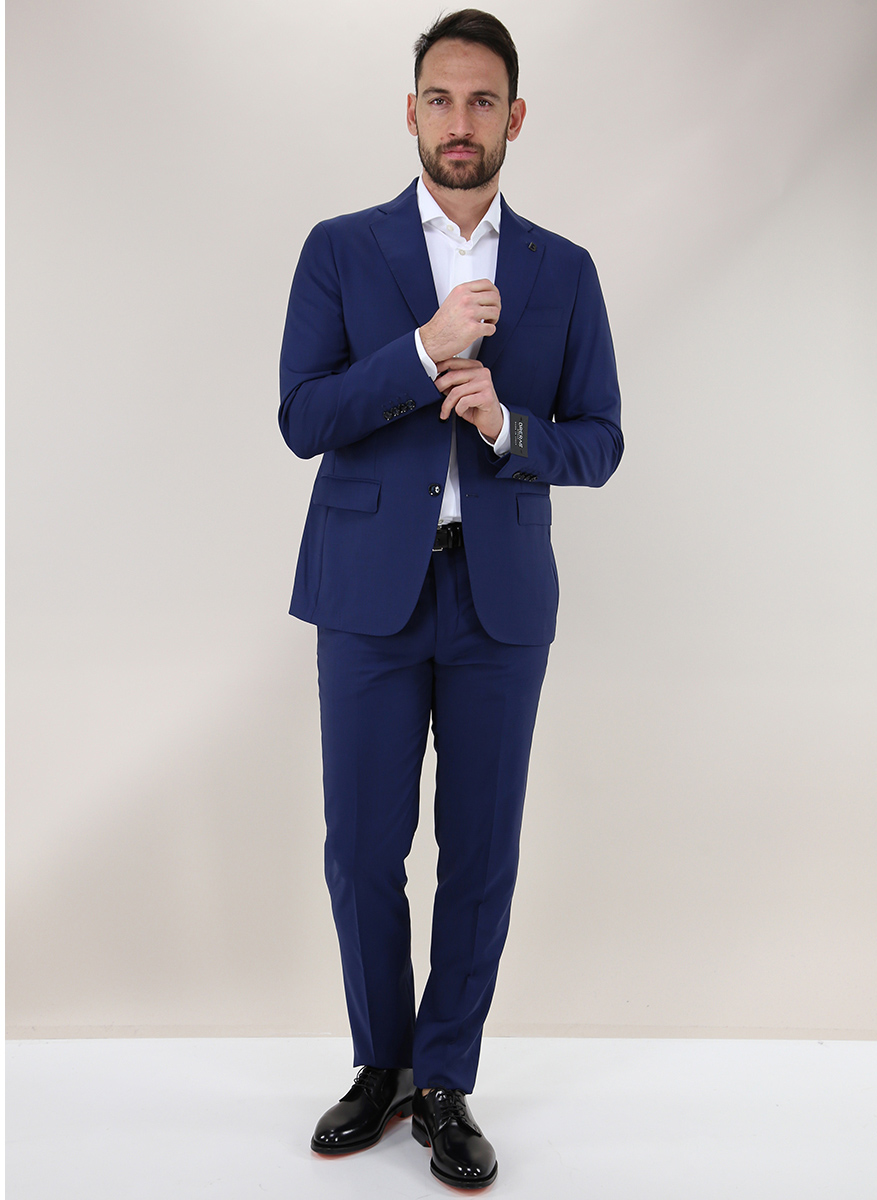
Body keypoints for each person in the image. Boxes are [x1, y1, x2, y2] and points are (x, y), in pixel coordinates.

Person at [278, 9, 622, 1189]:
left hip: (499, 599)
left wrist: (511, 428)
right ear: (411, 110)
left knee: (480, 853)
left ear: (514, 117)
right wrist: (422, 351)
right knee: (362, 849)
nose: (459, 121)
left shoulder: (563, 271)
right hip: (365, 593)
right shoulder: (340, 250)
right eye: (440, 98)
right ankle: (381, 1063)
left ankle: (444, 1081)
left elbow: (600, 439)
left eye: (482, 101)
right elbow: (303, 417)